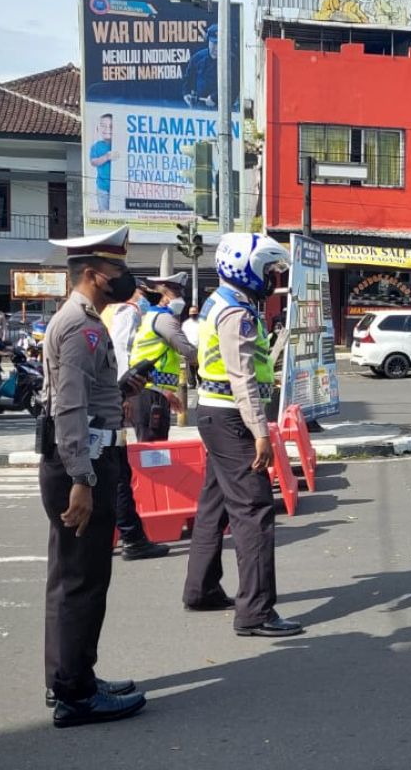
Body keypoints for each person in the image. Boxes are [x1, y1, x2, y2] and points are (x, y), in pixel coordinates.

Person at [40, 225, 147, 727]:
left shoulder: (80, 322)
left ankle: (68, 677)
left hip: (74, 458)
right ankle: (77, 695)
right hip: (80, 463)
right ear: (92, 274)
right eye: (117, 271)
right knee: (83, 581)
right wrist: (82, 477)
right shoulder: (81, 326)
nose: (124, 279)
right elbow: (70, 407)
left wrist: (123, 386)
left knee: (68, 577)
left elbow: (86, 394)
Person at [183, 232, 302, 637]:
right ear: (248, 269)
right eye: (268, 270)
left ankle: (201, 588)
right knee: (254, 511)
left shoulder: (220, 301)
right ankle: (255, 611)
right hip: (233, 418)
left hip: (214, 416)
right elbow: (242, 378)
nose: (272, 278)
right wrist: (260, 433)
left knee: (214, 503)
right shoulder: (238, 313)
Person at [100, 283, 169, 562]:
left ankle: (120, 534)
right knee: (117, 473)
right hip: (111, 397)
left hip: (102, 398)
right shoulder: (127, 312)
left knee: (111, 471)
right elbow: (121, 351)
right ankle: (131, 537)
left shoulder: (106, 311)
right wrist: (124, 391)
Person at [129, 272, 197, 442]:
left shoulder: (152, 316)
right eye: (176, 292)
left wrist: (166, 392)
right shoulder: (164, 319)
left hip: (152, 391)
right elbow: (188, 352)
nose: (181, 298)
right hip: (150, 394)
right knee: (153, 451)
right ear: (164, 296)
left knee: (153, 446)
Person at [182, 24, 220, 109]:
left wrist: (215, 98)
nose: (216, 48)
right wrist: (186, 93)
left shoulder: (231, 60)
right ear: (208, 41)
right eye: (214, 43)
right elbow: (188, 78)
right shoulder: (197, 58)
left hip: (223, 109)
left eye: (219, 44)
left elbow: (234, 86)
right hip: (200, 108)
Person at [89, 114, 117, 211]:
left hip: (119, 187)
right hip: (102, 187)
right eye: (103, 125)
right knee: (104, 213)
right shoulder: (96, 146)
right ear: (98, 128)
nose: (107, 129)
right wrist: (106, 157)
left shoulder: (119, 144)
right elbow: (93, 162)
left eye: (111, 126)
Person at [181, 305, 201, 387]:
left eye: (195, 312)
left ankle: (201, 382)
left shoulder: (202, 323)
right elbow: (183, 336)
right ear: (189, 314)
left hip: (200, 348)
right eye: (191, 312)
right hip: (189, 348)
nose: (193, 314)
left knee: (200, 367)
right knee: (190, 368)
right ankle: (192, 383)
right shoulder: (186, 324)